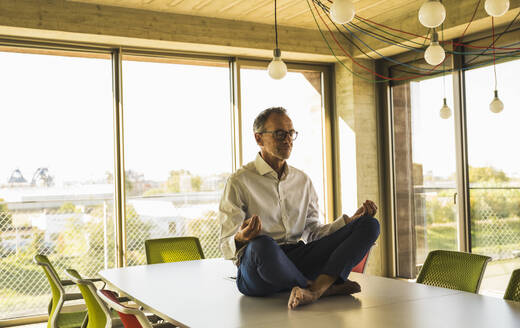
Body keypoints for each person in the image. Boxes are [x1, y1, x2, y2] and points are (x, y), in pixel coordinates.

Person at [218, 107, 380, 309]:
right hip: (257, 269)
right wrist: (242, 237)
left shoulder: (302, 180)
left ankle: (314, 289)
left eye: (290, 133)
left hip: (298, 259)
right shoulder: (239, 181)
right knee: (262, 245)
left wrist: (348, 223)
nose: (287, 140)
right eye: (279, 134)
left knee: (369, 225)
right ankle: (324, 288)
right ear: (259, 139)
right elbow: (225, 244)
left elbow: (313, 233)